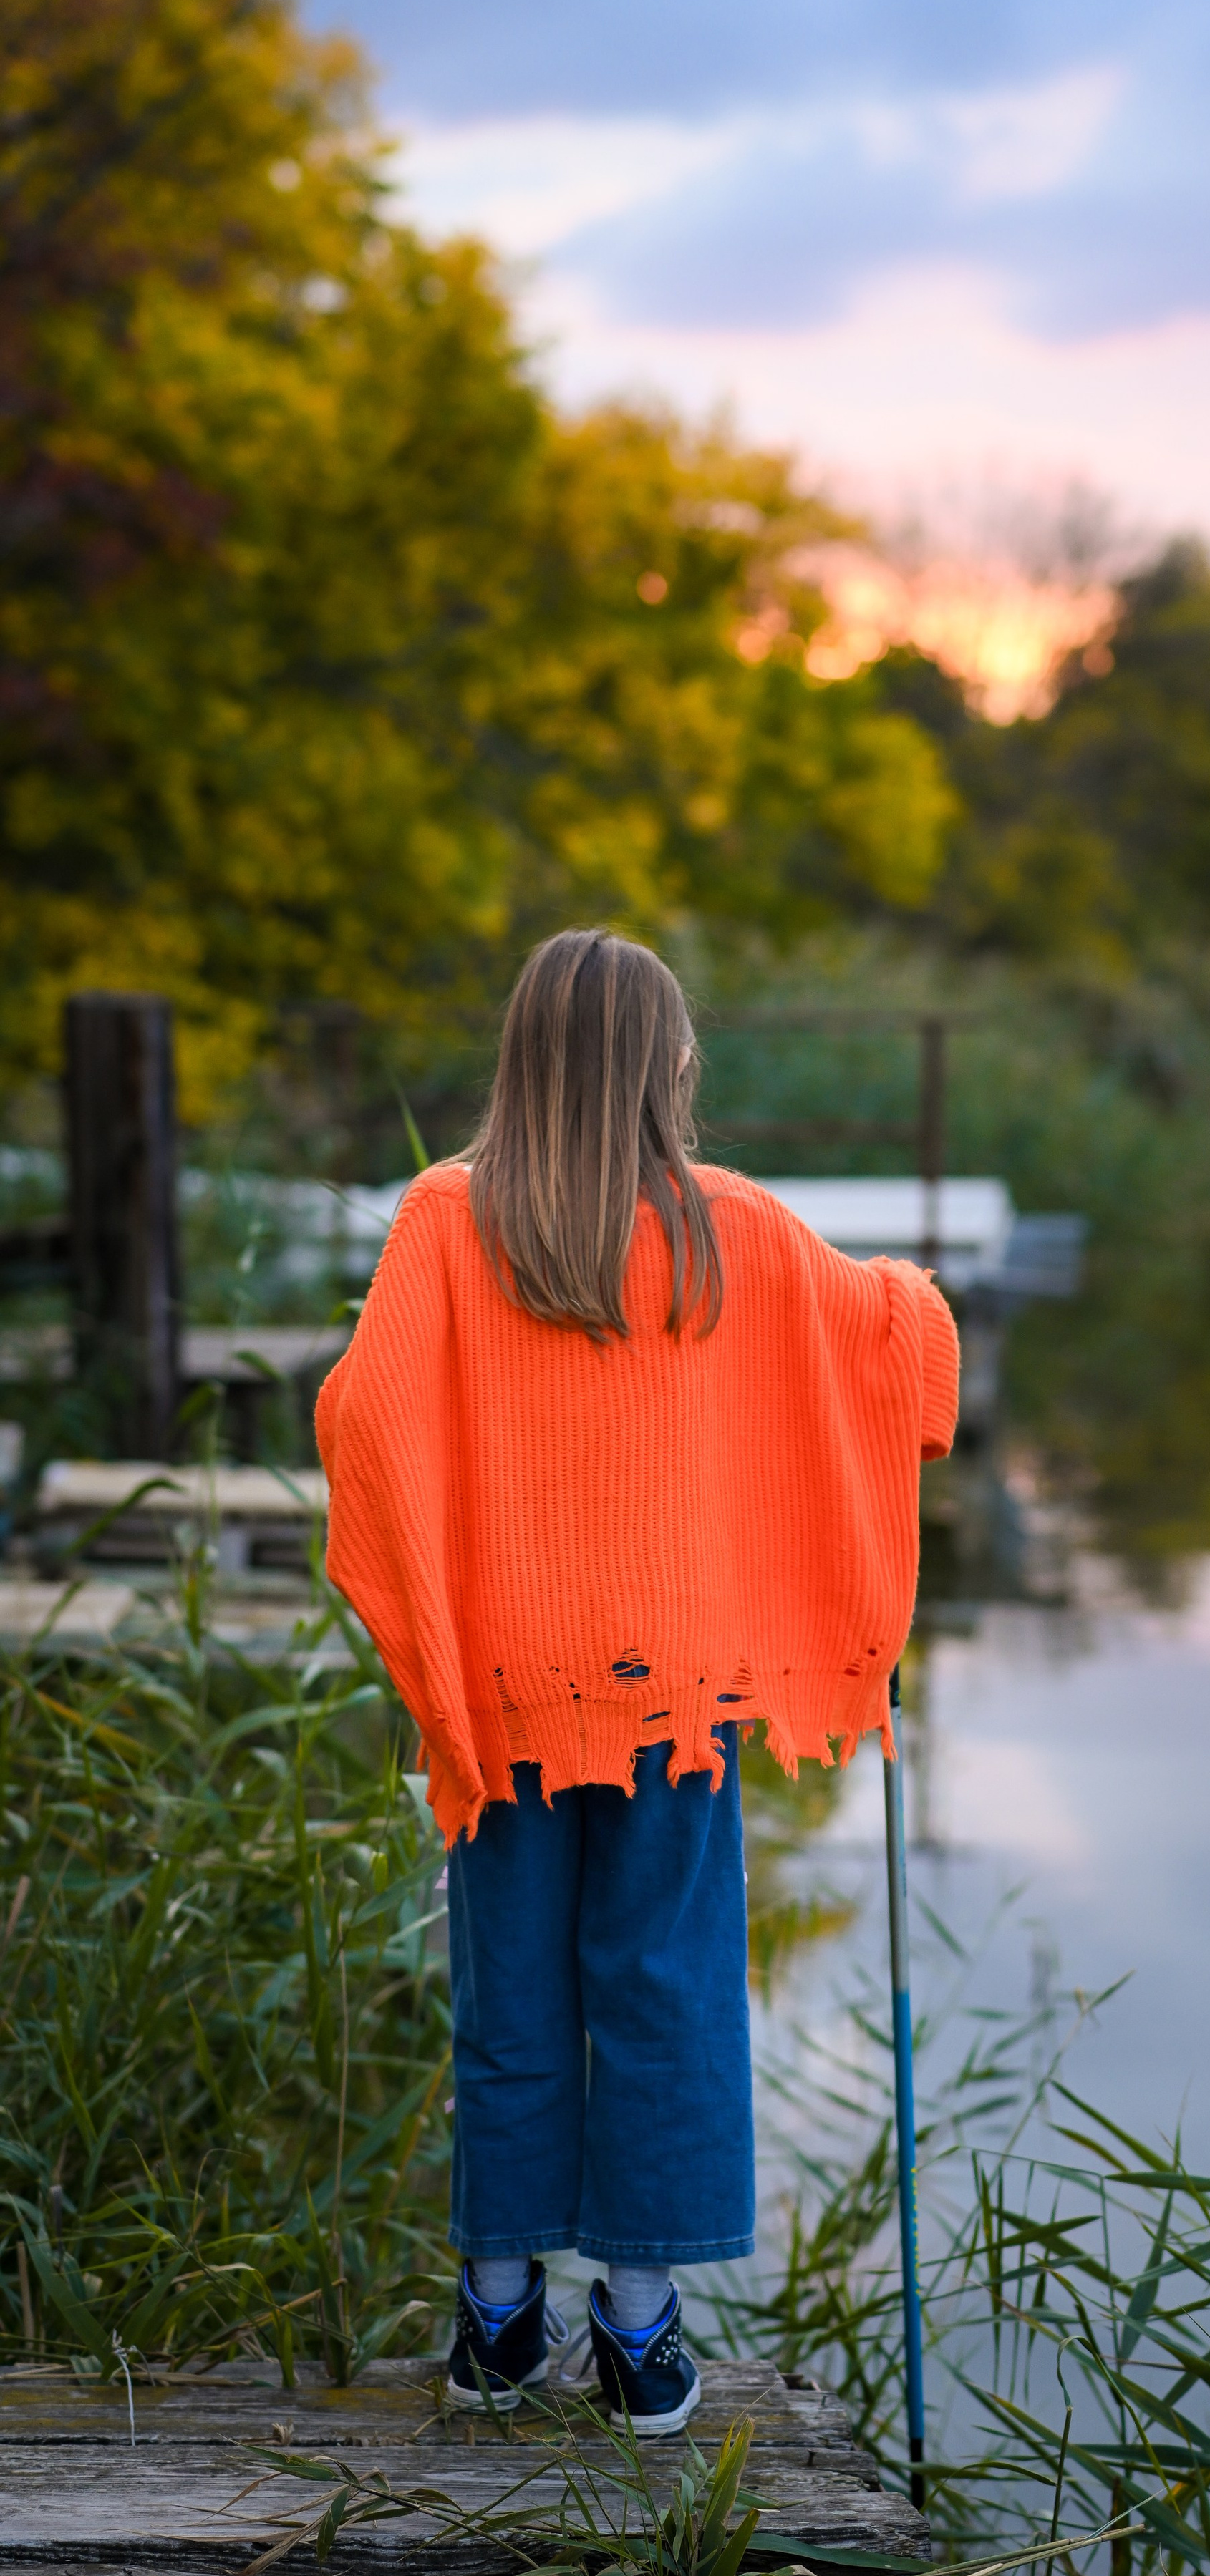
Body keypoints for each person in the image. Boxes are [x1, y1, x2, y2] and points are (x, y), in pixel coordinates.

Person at [315, 930, 959, 2425]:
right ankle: (640, 2328)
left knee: (509, 1989)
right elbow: (900, 1364)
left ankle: (495, 2316)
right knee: (664, 1990)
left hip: (506, 1694)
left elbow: (361, 1418)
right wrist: (914, 1304)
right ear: (668, 1066)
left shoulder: (444, 1218)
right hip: (670, 1703)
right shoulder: (733, 1228)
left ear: (523, 1059)